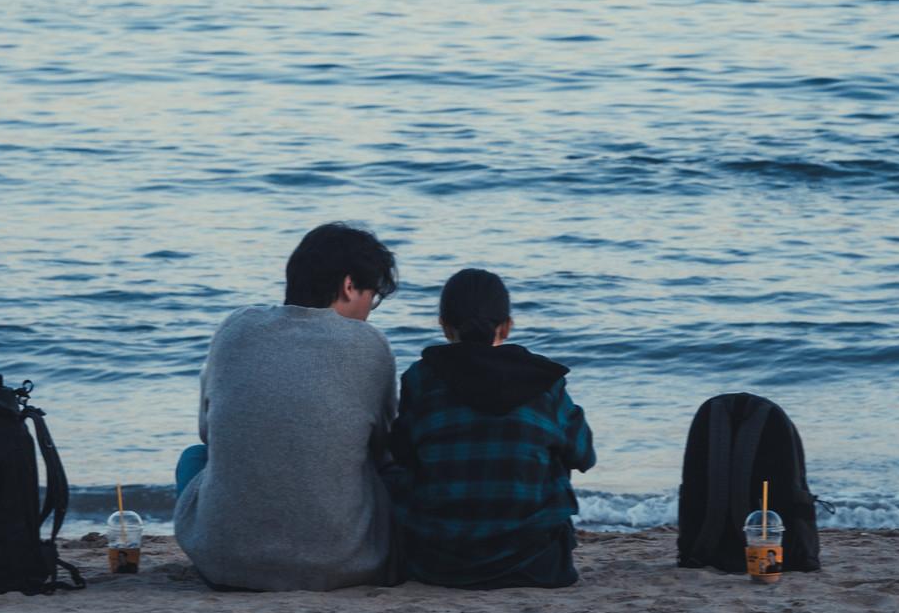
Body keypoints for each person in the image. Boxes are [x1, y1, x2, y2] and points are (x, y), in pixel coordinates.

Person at [173, 222, 399, 590]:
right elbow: (384, 446)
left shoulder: (235, 328)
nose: (369, 312)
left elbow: (209, 433)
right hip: (344, 564)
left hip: (223, 562)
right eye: (371, 298)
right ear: (348, 286)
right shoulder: (369, 344)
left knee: (193, 458)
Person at [390, 267, 595, 589]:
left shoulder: (421, 378)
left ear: (444, 326)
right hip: (536, 562)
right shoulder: (544, 380)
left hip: (438, 561)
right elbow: (584, 455)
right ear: (507, 326)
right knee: (555, 446)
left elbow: (400, 453)